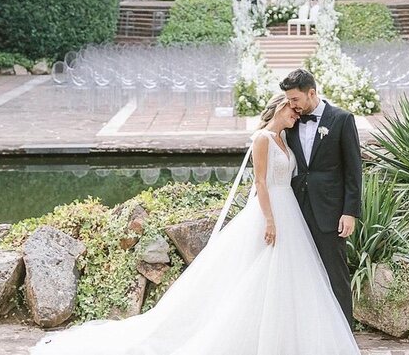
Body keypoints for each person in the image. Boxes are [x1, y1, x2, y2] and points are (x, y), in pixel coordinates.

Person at [29, 93, 360, 355]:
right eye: (292, 111)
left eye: (297, 113)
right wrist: (270, 220)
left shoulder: (284, 141)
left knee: (287, 276)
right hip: (271, 213)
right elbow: (259, 183)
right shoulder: (262, 139)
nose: (295, 116)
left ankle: (285, 336)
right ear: (279, 109)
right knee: (259, 274)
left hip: (291, 212)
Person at [280, 69, 362, 326]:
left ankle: (345, 334)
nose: (291, 105)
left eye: (295, 99)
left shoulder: (341, 119)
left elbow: (354, 169)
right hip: (296, 209)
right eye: (289, 100)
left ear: (311, 93)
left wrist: (350, 212)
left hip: (330, 212)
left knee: (335, 273)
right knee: (301, 273)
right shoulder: (291, 121)